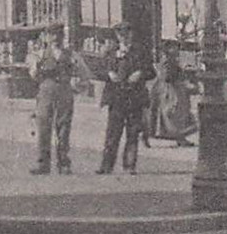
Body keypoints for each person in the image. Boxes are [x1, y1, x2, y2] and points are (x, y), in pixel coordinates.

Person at [28, 26, 90, 174]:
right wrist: (36, 67)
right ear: (46, 37)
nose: (55, 39)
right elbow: (33, 75)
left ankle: (63, 163)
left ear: (63, 37)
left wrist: (78, 87)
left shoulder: (71, 55)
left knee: (63, 128)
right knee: (43, 128)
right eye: (52, 35)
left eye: (58, 35)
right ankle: (43, 164)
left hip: (64, 91)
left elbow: (85, 73)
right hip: (46, 92)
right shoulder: (40, 54)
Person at [97, 24, 155, 174]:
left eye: (127, 33)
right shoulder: (111, 52)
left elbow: (151, 72)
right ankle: (106, 165)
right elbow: (99, 70)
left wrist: (140, 73)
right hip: (116, 97)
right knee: (112, 133)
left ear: (132, 34)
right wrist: (109, 73)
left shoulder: (140, 52)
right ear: (117, 36)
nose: (124, 36)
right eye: (121, 33)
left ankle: (129, 165)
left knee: (133, 132)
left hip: (134, 96)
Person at [149, 40, 197, 147]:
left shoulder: (171, 59)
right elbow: (167, 77)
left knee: (179, 114)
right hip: (170, 90)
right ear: (168, 49)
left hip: (173, 89)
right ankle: (180, 138)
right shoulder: (167, 60)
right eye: (174, 47)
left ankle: (181, 138)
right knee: (174, 114)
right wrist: (180, 77)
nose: (177, 49)